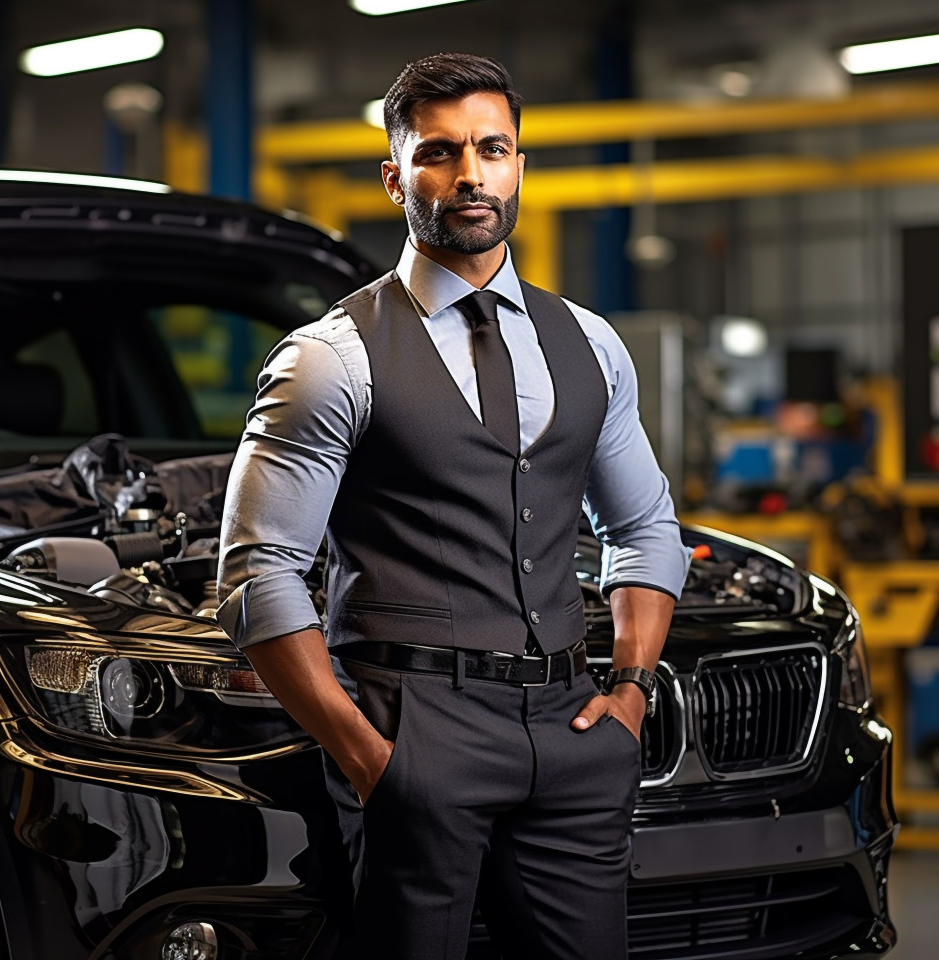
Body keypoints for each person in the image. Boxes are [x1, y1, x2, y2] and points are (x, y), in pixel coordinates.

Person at [217, 52, 692, 960]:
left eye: (493, 148)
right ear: (396, 176)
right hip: (414, 733)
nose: (470, 174)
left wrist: (629, 689)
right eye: (439, 153)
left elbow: (641, 528)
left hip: (574, 730)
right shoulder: (330, 358)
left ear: (520, 164)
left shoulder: (590, 342)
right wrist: (366, 757)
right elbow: (256, 575)